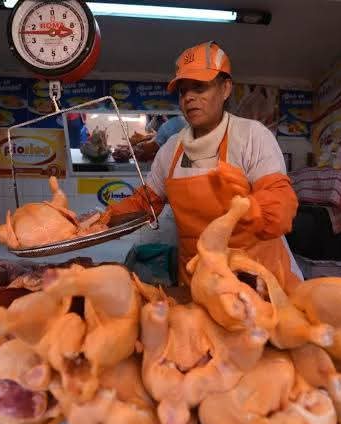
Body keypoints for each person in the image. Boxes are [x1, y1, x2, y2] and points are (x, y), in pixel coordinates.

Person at [108, 41, 303, 291]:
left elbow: (280, 204)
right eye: (183, 91)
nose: (189, 97)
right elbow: (144, 204)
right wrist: (103, 219)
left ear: (225, 89)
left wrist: (249, 208)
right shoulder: (170, 150)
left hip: (259, 283)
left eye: (199, 87)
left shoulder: (252, 136)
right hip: (199, 285)